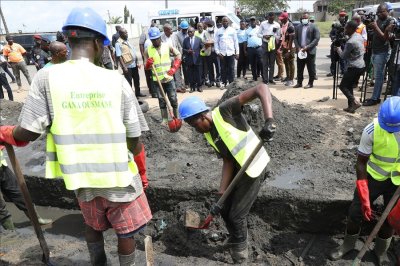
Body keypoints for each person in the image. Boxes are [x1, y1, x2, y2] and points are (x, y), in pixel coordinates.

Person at [0, 7, 152, 265]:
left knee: (93, 224)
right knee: (126, 230)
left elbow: (28, 132)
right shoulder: (115, 80)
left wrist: (6, 133)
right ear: (97, 42)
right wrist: (142, 171)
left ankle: (98, 263)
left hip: (80, 178)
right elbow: (134, 138)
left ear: (68, 40)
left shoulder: (47, 77)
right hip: (119, 177)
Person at [178, 83, 276, 264]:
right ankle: (237, 239)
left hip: (254, 166)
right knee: (224, 209)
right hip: (238, 168)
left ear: (202, 115)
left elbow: (261, 88)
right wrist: (221, 194)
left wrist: (269, 120)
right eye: (191, 126)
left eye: (194, 124)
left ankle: (240, 256)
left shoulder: (225, 111)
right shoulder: (208, 133)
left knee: (237, 215)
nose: (195, 129)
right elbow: (227, 160)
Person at [329, 96, 400, 265]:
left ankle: (380, 251)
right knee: (355, 212)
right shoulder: (371, 130)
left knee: (390, 218)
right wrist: (363, 191)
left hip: (396, 182)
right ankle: (347, 245)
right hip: (373, 177)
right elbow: (361, 163)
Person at [0, 146, 52, 229]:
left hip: (2, 166)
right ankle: (10, 230)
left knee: (19, 193)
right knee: (0, 205)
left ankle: (36, 219)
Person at [144, 27, 181, 123]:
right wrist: (148, 64)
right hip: (157, 80)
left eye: (157, 39)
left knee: (173, 98)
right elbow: (146, 67)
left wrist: (174, 67)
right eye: (153, 40)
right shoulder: (147, 50)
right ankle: (164, 119)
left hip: (169, 78)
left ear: (160, 37)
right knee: (161, 99)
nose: (155, 41)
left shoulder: (167, 46)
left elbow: (178, 55)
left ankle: (176, 117)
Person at [363, 3, 394, 106]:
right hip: (375, 51)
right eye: (378, 12)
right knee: (377, 76)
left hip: (383, 52)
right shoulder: (378, 20)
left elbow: (385, 38)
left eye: (381, 12)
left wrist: (375, 27)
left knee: (379, 76)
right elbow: (374, 34)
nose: (379, 14)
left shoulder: (390, 21)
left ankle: (375, 98)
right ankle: (375, 97)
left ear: (387, 11)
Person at [334, 21, 365, 113]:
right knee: (349, 85)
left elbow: (343, 56)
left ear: (351, 28)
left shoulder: (351, 42)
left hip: (353, 67)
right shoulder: (358, 36)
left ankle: (355, 102)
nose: (344, 29)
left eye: (346, 28)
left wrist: (338, 49)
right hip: (361, 65)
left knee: (343, 86)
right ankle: (351, 107)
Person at [116, 28, 146, 97]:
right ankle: (131, 96)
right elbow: (119, 56)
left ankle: (137, 93)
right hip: (127, 66)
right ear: (120, 34)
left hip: (134, 65)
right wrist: (124, 67)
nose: (127, 34)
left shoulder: (127, 41)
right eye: (125, 33)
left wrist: (137, 62)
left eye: (127, 32)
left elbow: (133, 52)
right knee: (129, 82)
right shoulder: (118, 43)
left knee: (137, 80)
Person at [293, 12, 320, 89]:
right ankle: (299, 82)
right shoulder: (298, 27)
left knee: (310, 68)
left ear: (308, 19)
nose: (304, 19)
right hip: (300, 51)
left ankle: (310, 83)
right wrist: (298, 47)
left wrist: (307, 47)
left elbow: (316, 38)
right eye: (303, 18)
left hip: (310, 51)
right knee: (299, 68)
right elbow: (295, 38)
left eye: (305, 18)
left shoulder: (314, 26)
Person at [215, 16, 239, 88]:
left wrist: (237, 52)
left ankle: (231, 83)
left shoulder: (233, 30)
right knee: (223, 68)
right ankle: (224, 82)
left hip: (231, 53)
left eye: (226, 21)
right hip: (222, 54)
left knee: (231, 68)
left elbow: (236, 42)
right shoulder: (218, 31)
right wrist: (218, 52)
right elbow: (216, 43)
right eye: (224, 21)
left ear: (228, 22)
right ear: (221, 22)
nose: (225, 22)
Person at [258, 12, 281, 85]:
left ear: (274, 17)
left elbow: (279, 36)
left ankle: (271, 79)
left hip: (273, 44)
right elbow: (258, 34)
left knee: (272, 63)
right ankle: (265, 79)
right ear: (267, 17)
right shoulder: (263, 24)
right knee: (265, 63)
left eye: (272, 18)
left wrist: (273, 36)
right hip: (265, 44)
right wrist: (264, 36)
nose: (271, 19)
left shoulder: (277, 25)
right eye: (269, 18)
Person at [161, 23, 185, 93]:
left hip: (175, 57)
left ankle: (179, 87)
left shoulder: (174, 36)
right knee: (169, 72)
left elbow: (179, 46)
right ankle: (171, 88)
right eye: (170, 29)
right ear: (165, 30)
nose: (172, 31)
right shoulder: (161, 38)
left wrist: (180, 55)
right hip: (167, 58)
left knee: (177, 72)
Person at [327, 11, 348, 78]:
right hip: (335, 43)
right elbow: (331, 33)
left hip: (343, 44)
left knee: (342, 59)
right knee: (333, 59)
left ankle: (343, 72)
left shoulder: (347, 25)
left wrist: (345, 38)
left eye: (343, 16)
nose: (342, 17)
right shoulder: (336, 24)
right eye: (341, 16)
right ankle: (332, 72)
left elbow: (348, 35)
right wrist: (333, 38)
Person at [183, 27, 204, 92]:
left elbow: (202, 47)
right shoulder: (185, 40)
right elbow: (183, 49)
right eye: (188, 32)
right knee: (190, 74)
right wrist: (187, 51)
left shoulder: (199, 39)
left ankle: (199, 86)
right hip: (189, 60)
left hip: (197, 59)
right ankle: (192, 87)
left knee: (198, 73)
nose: (189, 33)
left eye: (191, 32)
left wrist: (204, 49)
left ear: (194, 32)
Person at [278, 12, 295, 86]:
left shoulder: (290, 27)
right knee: (286, 63)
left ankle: (291, 80)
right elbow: (283, 37)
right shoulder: (283, 25)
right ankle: (288, 77)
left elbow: (291, 40)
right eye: (280, 19)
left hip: (291, 48)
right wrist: (281, 47)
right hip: (285, 47)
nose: (281, 20)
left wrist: (289, 51)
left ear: (286, 18)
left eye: (282, 19)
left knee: (291, 63)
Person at [203, 20, 222, 88]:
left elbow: (218, 42)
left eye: (210, 26)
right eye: (208, 26)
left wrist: (210, 42)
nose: (209, 27)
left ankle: (218, 81)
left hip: (216, 53)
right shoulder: (205, 33)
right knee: (210, 68)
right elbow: (204, 42)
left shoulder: (217, 32)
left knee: (218, 68)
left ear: (213, 26)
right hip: (209, 53)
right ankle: (212, 81)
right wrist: (212, 42)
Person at [139, 25, 156, 98]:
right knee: (151, 77)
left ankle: (152, 91)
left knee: (150, 77)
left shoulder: (148, 41)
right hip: (151, 61)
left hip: (149, 61)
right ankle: (153, 92)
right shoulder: (149, 42)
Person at [246, 16, 263, 82]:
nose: (252, 22)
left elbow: (263, 37)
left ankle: (263, 77)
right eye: (251, 20)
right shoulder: (247, 30)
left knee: (261, 62)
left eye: (254, 20)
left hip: (259, 48)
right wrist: (245, 50)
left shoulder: (260, 29)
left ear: (256, 21)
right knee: (252, 64)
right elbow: (245, 40)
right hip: (250, 49)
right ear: (250, 22)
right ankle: (254, 77)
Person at [176, 20, 190, 90]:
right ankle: (184, 83)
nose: (185, 30)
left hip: (188, 54)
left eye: (186, 29)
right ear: (181, 28)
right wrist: (182, 54)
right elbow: (178, 45)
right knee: (182, 70)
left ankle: (189, 82)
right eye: (183, 29)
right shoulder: (177, 35)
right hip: (180, 54)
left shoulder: (189, 33)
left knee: (188, 70)